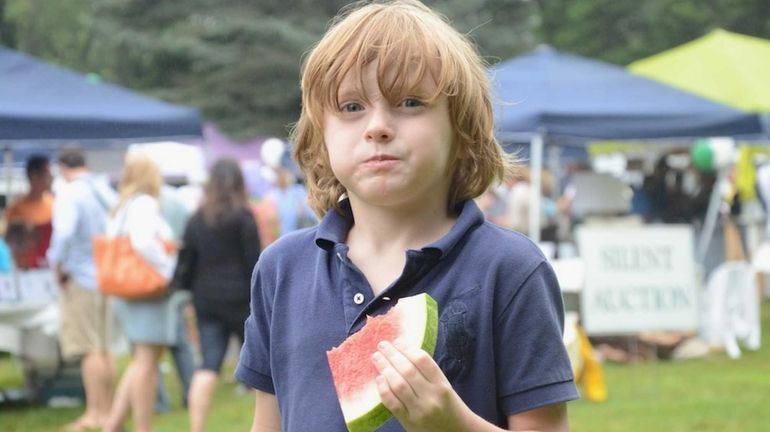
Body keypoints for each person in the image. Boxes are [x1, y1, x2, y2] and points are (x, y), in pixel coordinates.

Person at [235, 1, 578, 431]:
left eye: (410, 102)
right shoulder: (280, 269)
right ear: (320, 135)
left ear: (462, 130)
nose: (377, 126)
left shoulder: (510, 270)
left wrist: (453, 425)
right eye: (352, 107)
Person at [101, 155, 179, 432]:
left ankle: (113, 423)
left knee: (141, 360)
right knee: (147, 361)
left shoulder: (121, 205)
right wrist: (168, 269)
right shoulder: (145, 203)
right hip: (147, 290)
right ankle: (142, 426)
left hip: (127, 291)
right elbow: (144, 243)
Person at [183, 158, 261, 432]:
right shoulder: (244, 216)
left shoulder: (196, 218)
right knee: (260, 368)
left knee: (208, 365)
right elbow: (256, 262)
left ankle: (196, 428)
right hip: (241, 300)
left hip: (206, 299)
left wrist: (185, 295)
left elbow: (186, 262)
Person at [46, 146, 116, 431]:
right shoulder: (102, 190)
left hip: (81, 276)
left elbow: (63, 233)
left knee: (89, 350)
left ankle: (95, 413)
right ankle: (109, 410)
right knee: (104, 347)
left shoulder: (69, 193)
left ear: (62, 166)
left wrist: (56, 265)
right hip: (106, 275)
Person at [5, 154, 54, 269]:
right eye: (47, 174)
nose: (51, 178)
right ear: (34, 176)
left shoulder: (55, 205)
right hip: (26, 269)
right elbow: (11, 243)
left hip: (51, 267)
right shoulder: (16, 209)